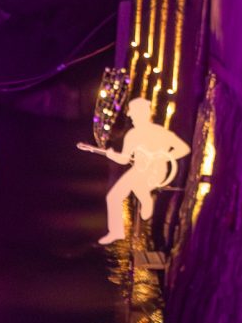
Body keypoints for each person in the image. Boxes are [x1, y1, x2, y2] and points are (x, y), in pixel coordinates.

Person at [77, 97, 190, 246]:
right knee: (113, 196)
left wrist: (163, 156)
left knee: (138, 184)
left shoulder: (160, 132)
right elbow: (125, 159)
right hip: (139, 170)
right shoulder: (132, 135)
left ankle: (145, 200)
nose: (131, 118)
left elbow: (184, 148)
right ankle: (116, 232)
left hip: (156, 172)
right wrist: (108, 154)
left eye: (134, 115)